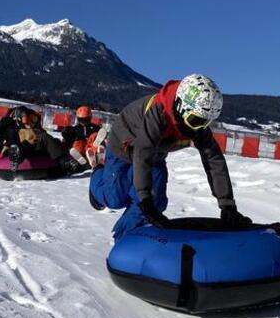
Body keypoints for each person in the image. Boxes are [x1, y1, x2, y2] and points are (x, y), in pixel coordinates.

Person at [88, 74, 252, 239]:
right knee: (115, 198)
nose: (200, 128)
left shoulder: (196, 124)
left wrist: (227, 205)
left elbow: (213, 159)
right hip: (123, 146)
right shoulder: (158, 113)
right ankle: (97, 171)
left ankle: (127, 240)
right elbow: (143, 152)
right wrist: (145, 198)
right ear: (181, 106)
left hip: (155, 153)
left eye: (206, 122)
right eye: (195, 120)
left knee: (157, 202)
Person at [0, 106, 80, 173]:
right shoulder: (13, 130)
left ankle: (65, 161)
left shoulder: (37, 130)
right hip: (20, 147)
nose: (30, 122)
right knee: (16, 143)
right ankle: (15, 156)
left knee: (47, 138)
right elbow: (2, 142)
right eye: (26, 119)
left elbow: (47, 140)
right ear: (19, 119)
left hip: (35, 148)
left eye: (33, 119)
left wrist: (60, 143)